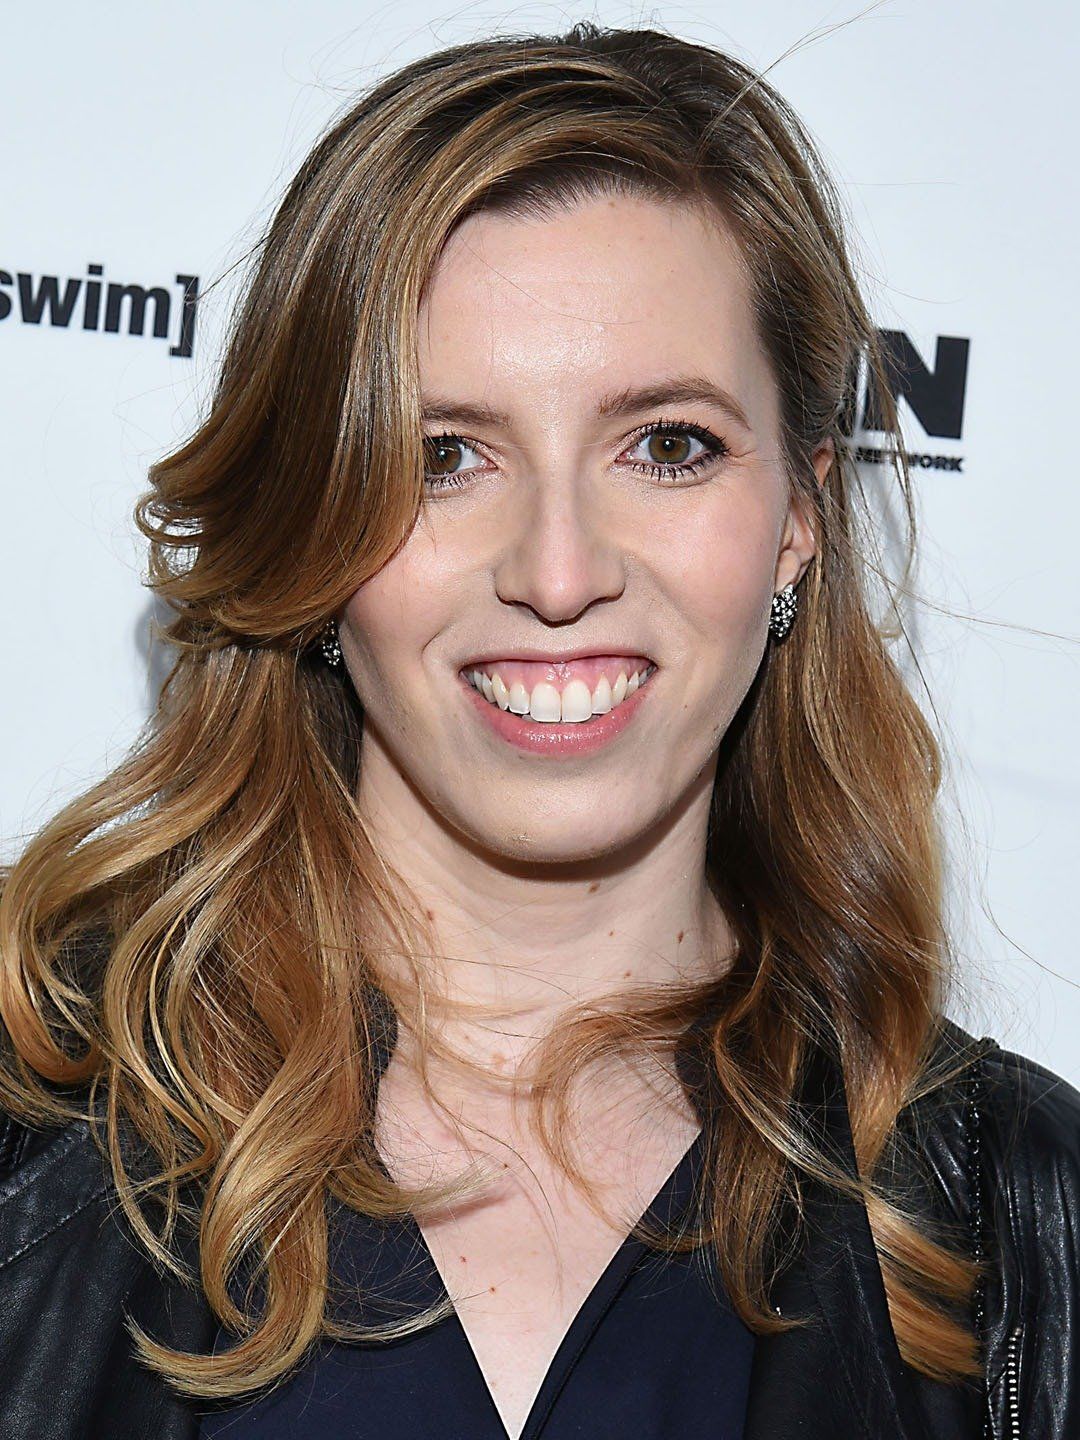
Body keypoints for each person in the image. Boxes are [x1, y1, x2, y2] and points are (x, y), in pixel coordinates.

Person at [0, 20, 1076, 1440]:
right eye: (444, 456)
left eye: (669, 446)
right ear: (311, 526)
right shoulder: (30, 1134)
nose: (559, 573)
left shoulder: (1021, 1216)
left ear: (799, 519)